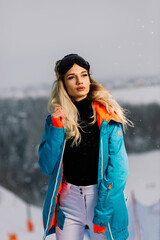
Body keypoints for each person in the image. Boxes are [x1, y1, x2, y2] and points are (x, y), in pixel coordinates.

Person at [38, 54, 132, 240]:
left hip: (102, 199)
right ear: (63, 83)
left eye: (84, 75)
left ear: (89, 78)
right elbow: (47, 166)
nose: (80, 81)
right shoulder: (57, 120)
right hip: (69, 202)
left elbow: (119, 171)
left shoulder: (108, 116)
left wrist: (102, 214)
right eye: (71, 77)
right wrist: (57, 127)